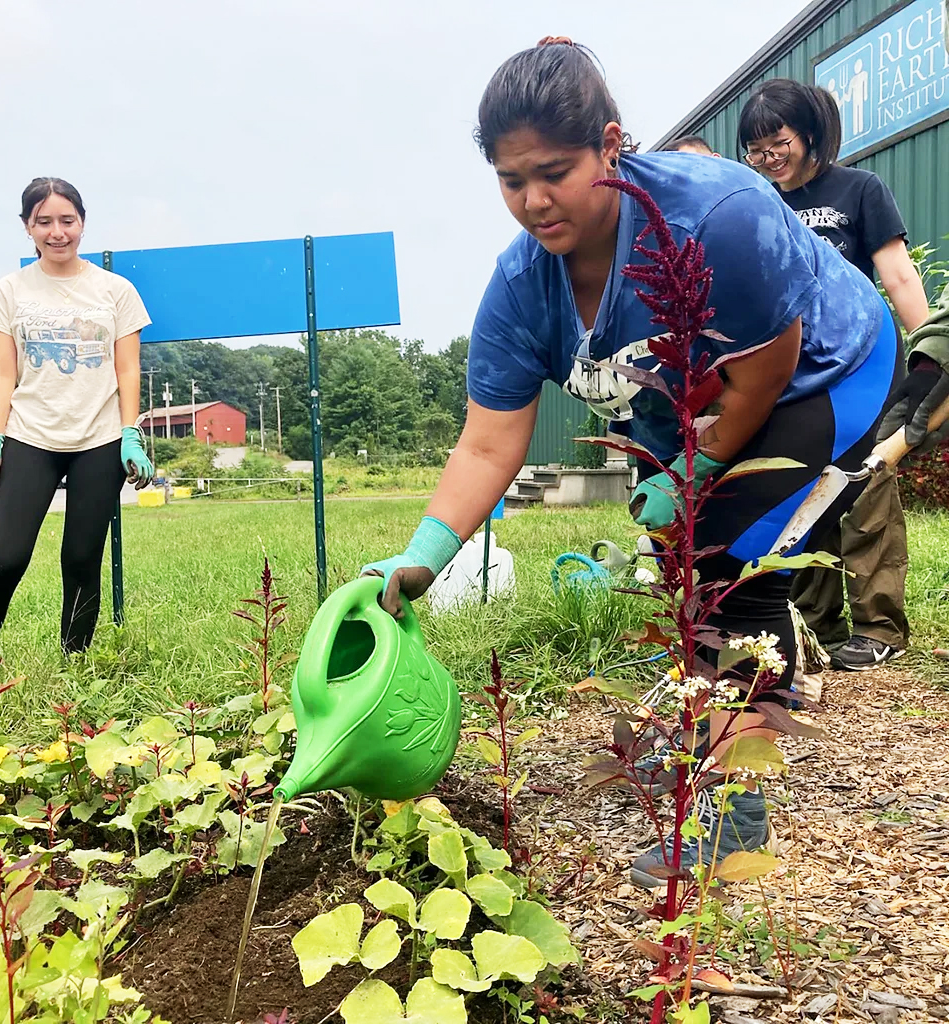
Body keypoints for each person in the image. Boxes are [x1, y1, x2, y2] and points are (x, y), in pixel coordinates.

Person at [361, 40, 899, 886]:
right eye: (510, 180)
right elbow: (489, 439)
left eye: (555, 170)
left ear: (611, 145)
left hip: (824, 370)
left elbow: (769, 362)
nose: (534, 201)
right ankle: (702, 734)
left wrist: (694, 471)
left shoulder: (717, 216)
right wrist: (424, 554)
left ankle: (735, 814)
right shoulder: (520, 289)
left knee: (730, 567)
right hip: (690, 406)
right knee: (679, 575)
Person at [739, 79, 934, 671]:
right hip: (792, 378)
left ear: (811, 133)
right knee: (802, 494)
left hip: (861, 368)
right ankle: (812, 621)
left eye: (778, 142)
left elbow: (897, 276)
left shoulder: (858, 190)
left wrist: (930, 355)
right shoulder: (756, 201)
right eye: (755, 149)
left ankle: (878, 625)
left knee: (867, 489)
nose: (768, 158)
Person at [0, 177, 154, 670]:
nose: (57, 232)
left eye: (66, 221)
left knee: (81, 559)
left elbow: (127, 367)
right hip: (30, 436)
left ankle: (74, 669)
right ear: (27, 227)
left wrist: (130, 434)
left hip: (100, 438)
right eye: (43, 221)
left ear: (83, 223)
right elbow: (3, 371)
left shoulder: (115, 290)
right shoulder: (9, 291)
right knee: (5, 558)